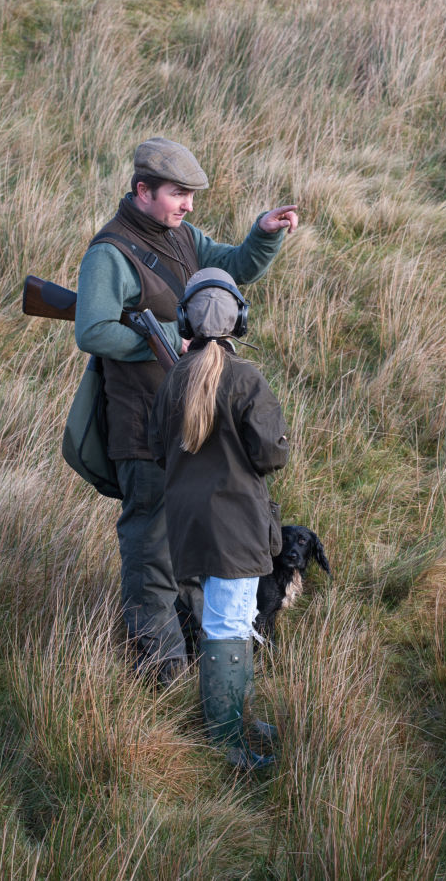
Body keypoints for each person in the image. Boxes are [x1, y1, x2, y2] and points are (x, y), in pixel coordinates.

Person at [75, 136, 297, 685]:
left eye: (191, 195)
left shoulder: (182, 236)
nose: (189, 205)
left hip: (187, 428)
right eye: (179, 193)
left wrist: (263, 236)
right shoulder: (110, 253)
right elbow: (92, 328)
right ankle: (163, 677)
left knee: (191, 553)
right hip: (141, 429)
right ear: (143, 190)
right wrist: (172, 334)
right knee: (151, 559)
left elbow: (234, 268)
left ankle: (207, 672)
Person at [148, 268, 290, 768]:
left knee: (232, 619)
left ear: (186, 319)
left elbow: (156, 451)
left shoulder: (172, 381)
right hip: (237, 525)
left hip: (189, 524)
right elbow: (272, 455)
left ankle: (240, 715)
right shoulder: (246, 378)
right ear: (238, 320)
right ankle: (227, 743)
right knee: (228, 623)